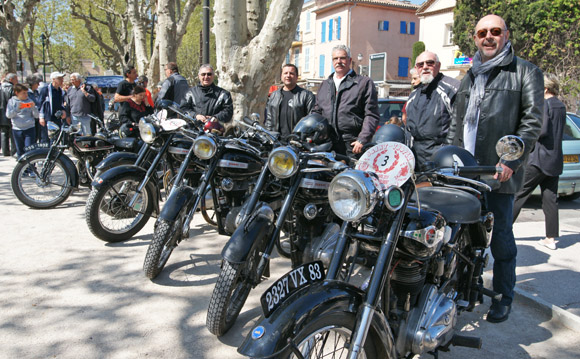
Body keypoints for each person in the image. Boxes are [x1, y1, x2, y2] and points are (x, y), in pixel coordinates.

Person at [446, 14, 543, 323]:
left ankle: (503, 296)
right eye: (482, 33)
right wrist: (447, 159)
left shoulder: (525, 72)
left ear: (506, 35)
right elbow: (456, 124)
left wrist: (511, 159)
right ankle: (468, 288)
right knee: (462, 237)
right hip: (466, 173)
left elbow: (531, 123)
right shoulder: (470, 75)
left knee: (500, 238)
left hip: (499, 172)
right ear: (475, 39)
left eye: (495, 31)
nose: (488, 37)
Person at [513, 74, 566, 251]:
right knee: (550, 199)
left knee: (518, 194)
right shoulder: (561, 105)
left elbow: (540, 131)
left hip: (539, 159)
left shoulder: (545, 104)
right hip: (555, 159)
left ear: (544, 89)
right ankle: (551, 238)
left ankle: (501, 230)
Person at [311, 44, 379, 157]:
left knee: (350, 175)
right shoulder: (324, 85)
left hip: (352, 144)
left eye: (342, 58)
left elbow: (371, 114)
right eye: (335, 58)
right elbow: (317, 112)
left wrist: (362, 139)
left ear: (350, 60)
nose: (339, 61)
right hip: (327, 144)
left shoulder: (364, 83)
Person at [405, 51, 459, 170]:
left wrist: (447, 151)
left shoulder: (452, 88)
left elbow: (459, 126)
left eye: (430, 63)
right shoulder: (413, 95)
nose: (425, 67)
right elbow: (408, 129)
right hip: (417, 160)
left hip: (442, 159)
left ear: (438, 65)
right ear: (416, 69)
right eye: (420, 64)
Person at [264, 64, 315, 137]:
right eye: (285, 73)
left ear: (297, 77)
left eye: (291, 73)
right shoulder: (274, 95)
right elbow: (269, 120)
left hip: (297, 142)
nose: (288, 75)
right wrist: (268, 137)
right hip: (276, 142)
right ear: (281, 76)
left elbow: (311, 120)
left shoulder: (307, 95)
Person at [5, 84, 38, 158]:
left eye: (26, 93)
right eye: (23, 93)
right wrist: (17, 109)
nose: (26, 95)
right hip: (17, 129)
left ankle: (31, 168)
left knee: (30, 149)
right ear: (17, 93)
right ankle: (22, 168)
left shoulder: (29, 100)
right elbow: (8, 115)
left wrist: (33, 108)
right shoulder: (12, 101)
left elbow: (36, 116)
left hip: (29, 128)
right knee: (20, 150)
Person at [38, 72, 69, 143]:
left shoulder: (60, 91)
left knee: (56, 138)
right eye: (59, 78)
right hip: (48, 118)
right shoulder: (46, 90)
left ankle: (55, 153)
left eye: (62, 78)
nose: (62, 80)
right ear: (53, 79)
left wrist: (63, 110)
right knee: (46, 138)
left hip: (57, 118)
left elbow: (61, 104)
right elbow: (41, 104)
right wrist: (41, 117)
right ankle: (45, 153)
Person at [1, 73, 18, 156]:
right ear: (11, 79)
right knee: (12, 132)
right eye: (16, 79)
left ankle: (5, 151)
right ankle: (14, 151)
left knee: (4, 132)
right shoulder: (12, 88)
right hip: (10, 112)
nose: (17, 81)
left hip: (1, 113)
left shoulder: (1, 87)